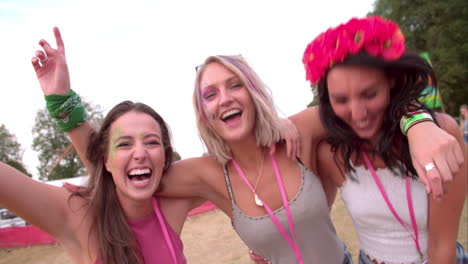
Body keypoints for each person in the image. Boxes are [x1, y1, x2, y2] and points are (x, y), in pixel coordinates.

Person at [37, 26, 463, 263]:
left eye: (234, 85)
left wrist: (419, 123)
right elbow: (124, 160)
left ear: (253, 92)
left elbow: (369, 104)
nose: (224, 98)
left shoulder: (304, 128)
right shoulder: (204, 175)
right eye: (210, 94)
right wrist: (64, 104)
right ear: (203, 112)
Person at [300, 16, 467, 263]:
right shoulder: (330, 154)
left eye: (369, 94)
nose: (358, 114)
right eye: (341, 100)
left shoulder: (442, 134)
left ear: (391, 81)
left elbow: (442, 247)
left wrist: (417, 122)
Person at [0, 100, 194, 264]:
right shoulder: (78, 214)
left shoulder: (173, 206)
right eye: (124, 144)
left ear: (164, 157)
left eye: (152, 142)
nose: (141, 154)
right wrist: (60, 97)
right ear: (106, 161)